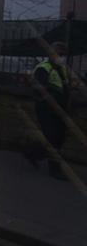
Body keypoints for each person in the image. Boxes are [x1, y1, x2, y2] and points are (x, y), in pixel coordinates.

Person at [30, 42, 71, 179]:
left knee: (58, 138)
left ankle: (32, 153)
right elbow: (38, 88)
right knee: (52, 137)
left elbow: (65, 87)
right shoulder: (44, 68)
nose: (61, 57)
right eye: (59, 54)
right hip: (46, 108)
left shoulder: (62, 69)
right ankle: (55, 170)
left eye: (63, 55)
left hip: (60, 109)